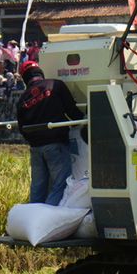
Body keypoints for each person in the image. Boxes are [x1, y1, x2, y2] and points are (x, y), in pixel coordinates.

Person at [16, 61, 84, 205]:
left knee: (38, 189)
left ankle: (32, 219)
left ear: (25, 78)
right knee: (60, 185)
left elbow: (22, 128)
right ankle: (47, 219)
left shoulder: (22, 99)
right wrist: (83, 121)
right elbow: (73, 113)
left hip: (36, 148)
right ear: (40, 73)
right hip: (56, 145)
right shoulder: (55, 85)